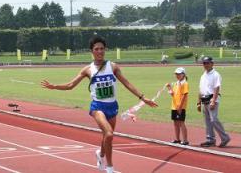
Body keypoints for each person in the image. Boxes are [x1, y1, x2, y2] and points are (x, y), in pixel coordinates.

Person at [41, 36, 157, 173]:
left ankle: (100, 154)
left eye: (102, 48)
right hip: (98, 107)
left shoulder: (113, 67)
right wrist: (55, 86)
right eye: (96, 49)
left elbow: (127, 83)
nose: (100, 51)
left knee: (107, 137)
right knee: (108, 134)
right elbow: (71, 85)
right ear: (92, 51)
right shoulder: (88, 69)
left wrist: (143, 98)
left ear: (105, 50)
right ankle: (110, 167)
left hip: (112, 106)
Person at [197, 56, 231, 148]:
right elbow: (201, 89)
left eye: (207, 63)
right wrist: (198, 102)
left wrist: (213, 100)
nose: (206, 65)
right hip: (204, 100)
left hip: (212, 99)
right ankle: (210, 139)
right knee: (208, 121)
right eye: (204, 63)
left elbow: (217, 88)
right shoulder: (203, 75)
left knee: (214, 119)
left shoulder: (215, 74)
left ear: (212, 63)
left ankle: (225, 138)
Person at [166, 67, 189, 145]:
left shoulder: (184, 83)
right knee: (175, 122)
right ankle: (177, 139)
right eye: (176, 74)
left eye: (179, 74)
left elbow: (184, 95)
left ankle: (185, 140)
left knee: (181, 122)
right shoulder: (176, 83)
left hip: (180, 106)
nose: (177, 75)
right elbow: (173, 94)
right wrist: (169, 87)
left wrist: (180, 106)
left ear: (183, 74)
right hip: (174, 105)